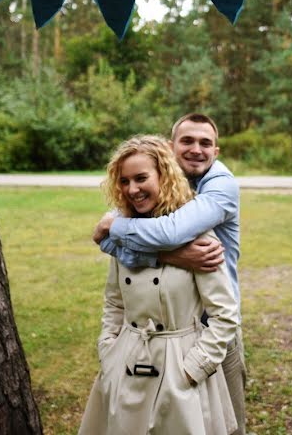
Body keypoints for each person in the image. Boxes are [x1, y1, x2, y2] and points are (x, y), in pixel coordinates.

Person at [92, 113, 246, 434]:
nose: (196, 149)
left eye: (205, 142)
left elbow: (172, 231)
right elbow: (114, 298)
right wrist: (110, 350)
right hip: (136, 357)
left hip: (201, 339)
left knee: (223, 422)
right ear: (170, 150)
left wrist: (190, 371)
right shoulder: (138, 207)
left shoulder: (219, 187)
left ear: (216, 150)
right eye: (187, 141)